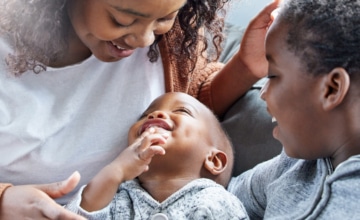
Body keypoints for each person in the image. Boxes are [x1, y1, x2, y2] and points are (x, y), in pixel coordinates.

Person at [0, 0, 280, 219]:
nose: (145, 39)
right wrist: (4, 201)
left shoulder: (172, 39)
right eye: (122, 19)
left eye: (163, 18)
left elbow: (193, 110)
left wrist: (245, 66)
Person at [228, 0, 360, 219]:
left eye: (272, 76)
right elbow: (226, 196)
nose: (263, 93)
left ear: (331, 89)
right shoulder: (291, 166)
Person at [65, 92, 249, 219]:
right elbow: (76, 216)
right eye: (144, 115)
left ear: (213, 160)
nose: (155, 114)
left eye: (182, 111)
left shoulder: (216, 202)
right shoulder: (117, 198)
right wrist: (117, 170)